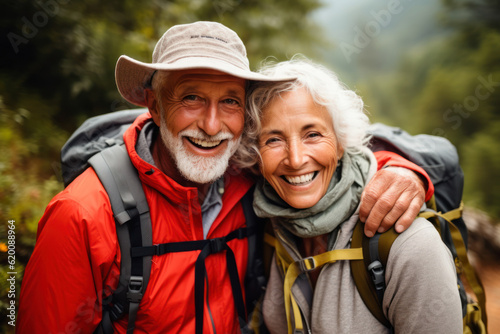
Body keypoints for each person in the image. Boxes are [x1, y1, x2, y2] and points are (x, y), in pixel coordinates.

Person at [17, 22, 433, 333]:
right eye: (192, 98)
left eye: (230, 101)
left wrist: (404, 172)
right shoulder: (83, 215)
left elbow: (324, 153)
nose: (212, 125)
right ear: (156, 108)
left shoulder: (249, 177)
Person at [246, 58, 463, 333]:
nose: (296, 159)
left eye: (312, 134)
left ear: (340, 144)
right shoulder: (271, 228)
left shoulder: (409, 246)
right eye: (273, 140)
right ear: (255, 155)